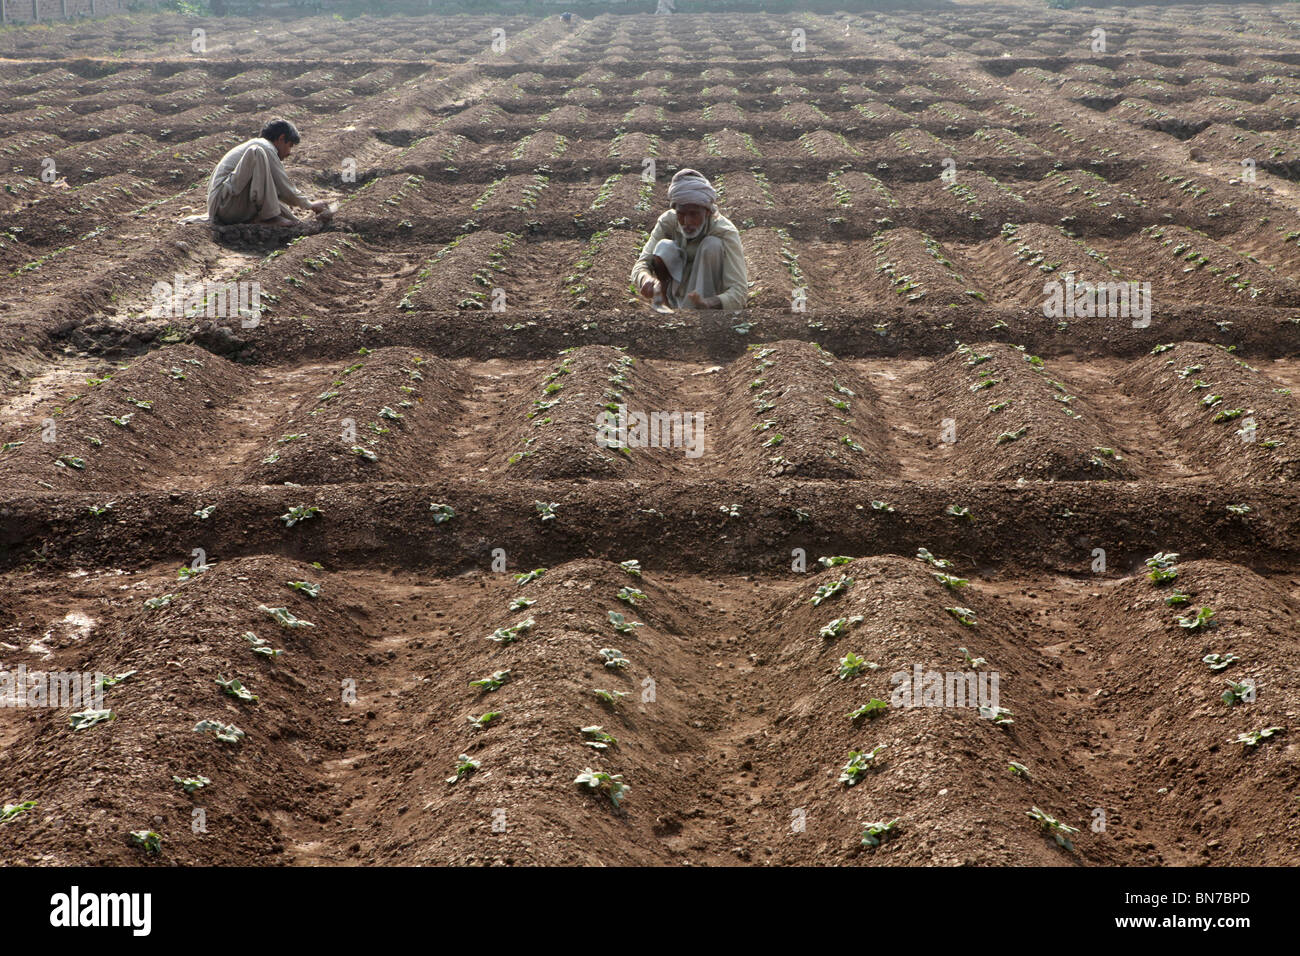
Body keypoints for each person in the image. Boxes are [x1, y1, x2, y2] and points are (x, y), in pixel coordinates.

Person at [630, 168, 747, 311]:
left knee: (712, 245)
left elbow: (739, 291)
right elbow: (641, 264)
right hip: (674, 294)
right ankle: (667, 306)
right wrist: (646, 279)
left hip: (707, 300)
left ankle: (699, 310)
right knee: (663, 246)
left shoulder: (724, 231)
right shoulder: (668, 222)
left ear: (708, 212)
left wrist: (709, 303)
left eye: (694, 214)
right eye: (681, 214)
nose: (687, 222)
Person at [206, 119, 332, 227]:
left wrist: (296, 222)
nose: (289, 152)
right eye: (290, 145)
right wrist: (309, 204)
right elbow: (284, 188)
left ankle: (268, 218)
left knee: (293, 221)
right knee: (256, 152)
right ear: (281, 138)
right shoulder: (263, 147)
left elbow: (273, 192)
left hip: (227, 205)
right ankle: (269, 218)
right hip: (225, 206)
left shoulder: (263, 149)